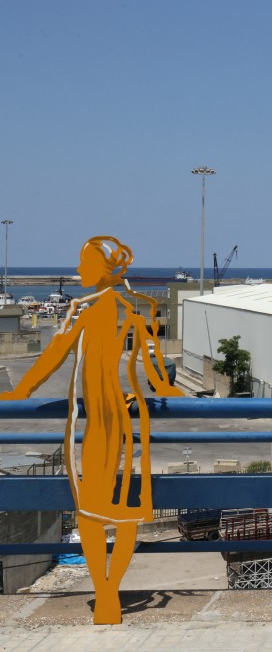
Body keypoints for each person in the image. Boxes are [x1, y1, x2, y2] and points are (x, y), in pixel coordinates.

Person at [0, 237, 184, 625]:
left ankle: (105, 595)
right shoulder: (134, 307)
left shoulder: (81, 309)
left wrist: (21, 391)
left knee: (89, 512)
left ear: (104, 270)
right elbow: (153, 363)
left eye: (84, 265)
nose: (79, 272)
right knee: (126, 511)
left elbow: (53, 355)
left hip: (92, 425)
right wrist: (167, 390)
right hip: (126, 423)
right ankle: (109, 593)